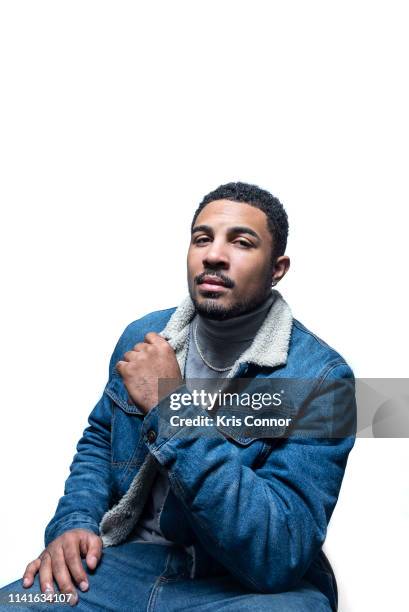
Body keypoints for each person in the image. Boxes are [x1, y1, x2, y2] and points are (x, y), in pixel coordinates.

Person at [0, 182, 356, 611]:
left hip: (237, 588)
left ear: (277, 268)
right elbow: (99, 440)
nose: (213, 255)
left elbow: (276, 554)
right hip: (124, 565)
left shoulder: (322, 379)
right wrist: (73, 522)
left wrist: (173, 406)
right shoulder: (146, 338)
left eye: (241, 242)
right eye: (202, 239)